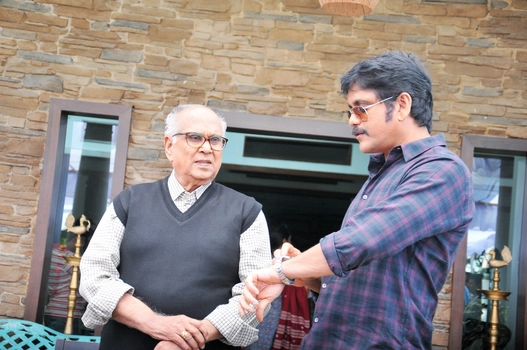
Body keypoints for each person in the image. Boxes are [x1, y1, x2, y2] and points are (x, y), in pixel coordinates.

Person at [239, 51, 475, 349]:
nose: (352, 120)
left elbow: (362, 241)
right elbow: (358, 276)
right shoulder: (382, 174)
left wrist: (279, 271)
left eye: (361, 109)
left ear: (402, 105)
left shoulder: (442, 171)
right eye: (349, 110)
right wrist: (303, 274)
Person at [79, 104, 272, 350]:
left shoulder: (247, 212)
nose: (206, 147)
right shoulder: (129, 203)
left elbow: (255, 295)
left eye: (215, 140)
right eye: (195, 137)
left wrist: (189, 338)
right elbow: (95, 276)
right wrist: (154, 323)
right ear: (169, 146)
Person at [45, 232, 91, 335]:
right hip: (68, 312)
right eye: (82, 241)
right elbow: (89, 274)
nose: (82, 245)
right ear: (76, 239)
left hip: (52, 308)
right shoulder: (67, 257)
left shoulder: (51, 253)